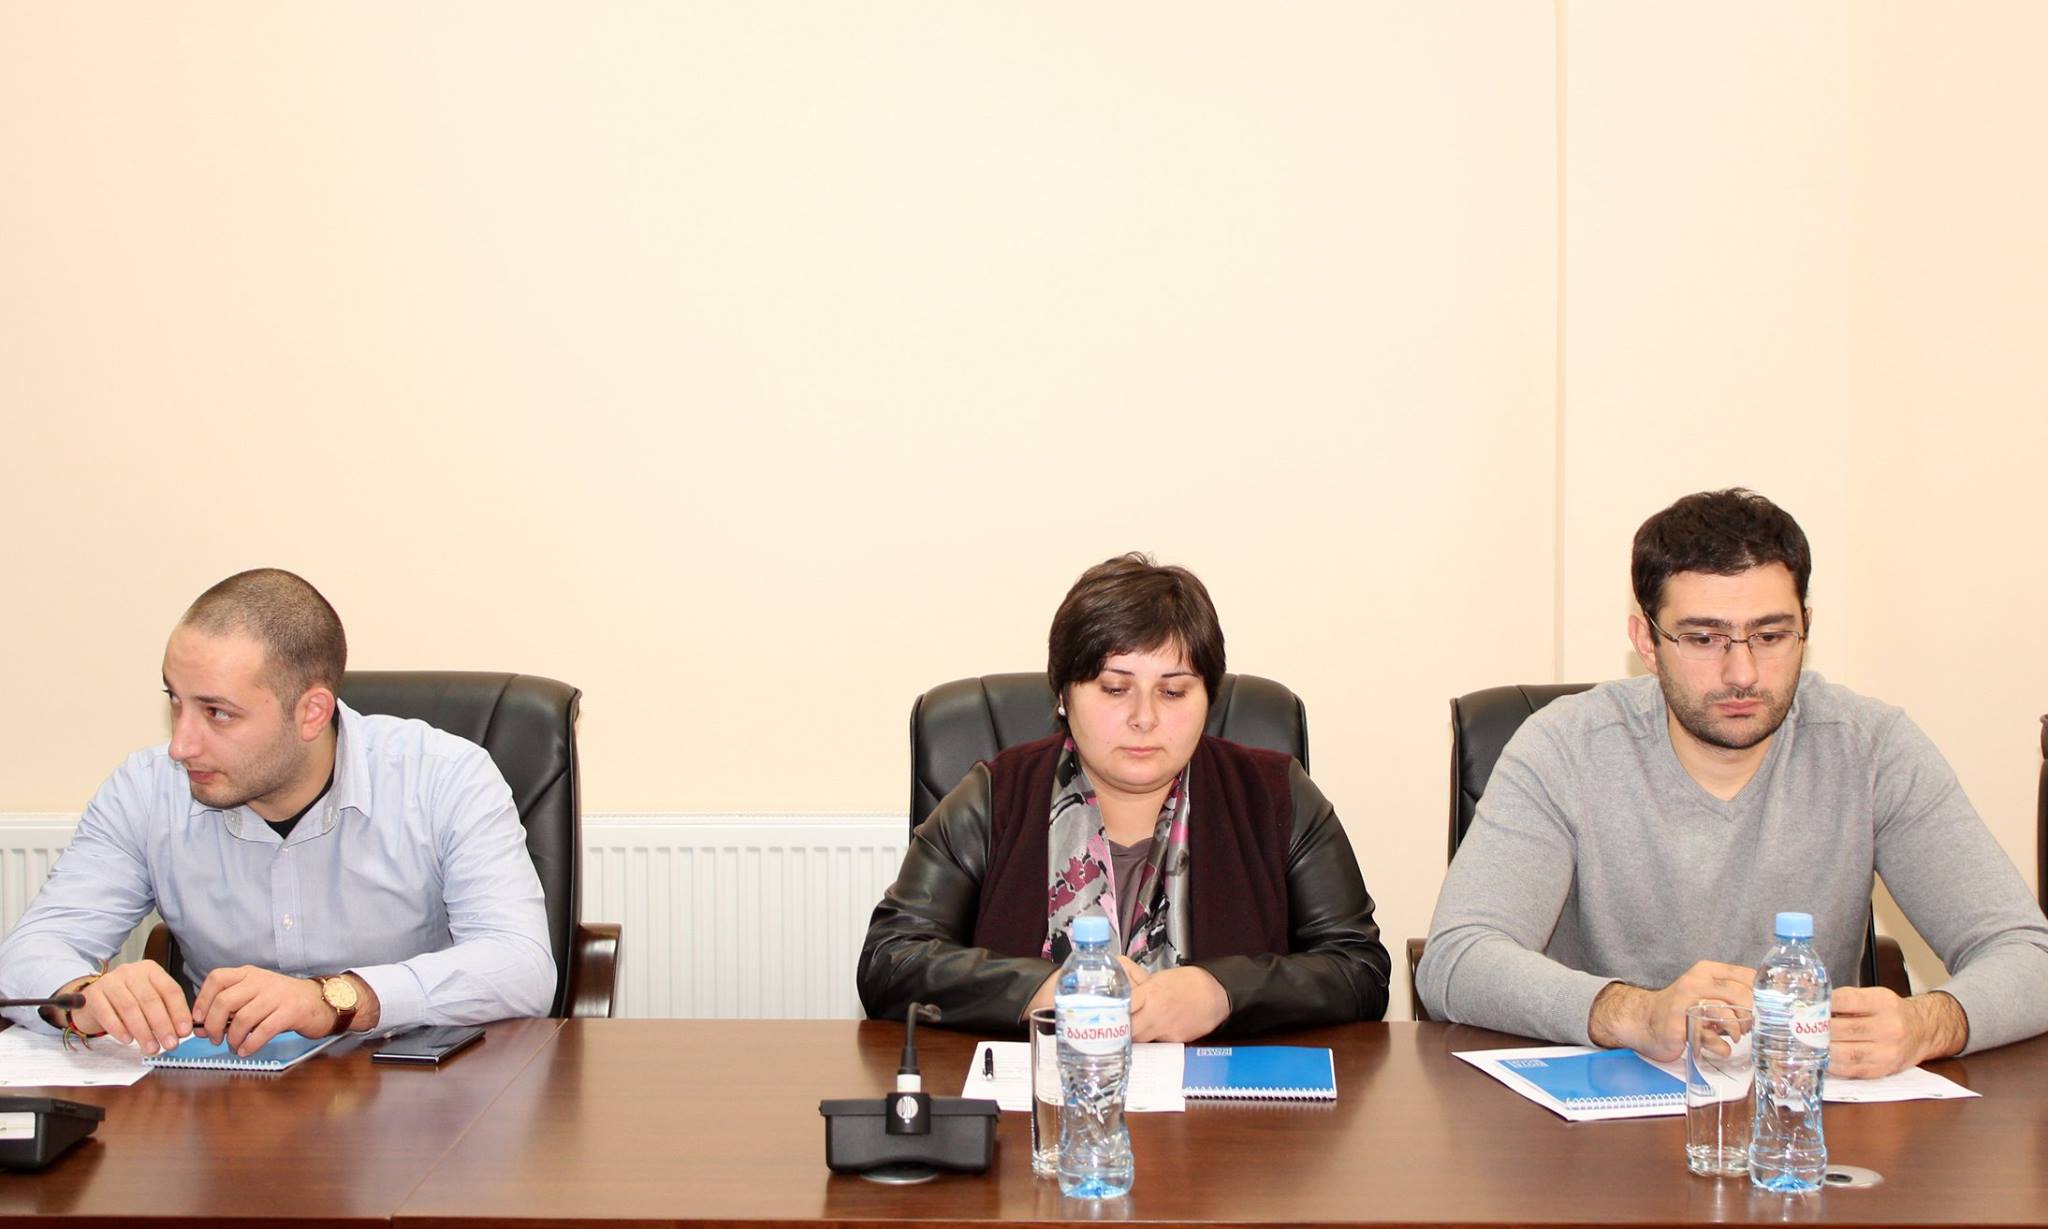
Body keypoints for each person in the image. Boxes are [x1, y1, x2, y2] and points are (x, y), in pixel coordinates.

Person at [1417, 489, 2048, 1077]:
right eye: (1703, 638)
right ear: (1646, 640)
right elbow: (1457, 959)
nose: (1742, 672)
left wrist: (1929, 1024)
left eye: (1771, 636)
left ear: (1806, 628)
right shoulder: (1565, 747)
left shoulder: (1871, 747)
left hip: (1800, 1120)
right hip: (1601, 1119)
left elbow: (2029, 955)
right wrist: (1636, 1013)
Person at [0, 569, 555, 1055]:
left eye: (217, 713)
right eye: (175, 700)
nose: (180, 745)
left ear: (311, 712)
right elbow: (29, 952)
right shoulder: (145, 790)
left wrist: (337, 998)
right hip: (228, 1103)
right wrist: (85, 997)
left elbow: (521, 966)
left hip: (415, 1094)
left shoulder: (444, 776)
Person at [859, 553, 1390, 1040]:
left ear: (1209, 698)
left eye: (1173, 691)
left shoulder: (1275, 795)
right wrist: (1042, 990)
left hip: (1223, 1108)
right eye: (1115, 689)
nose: (1144, 717)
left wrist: (1225, 992)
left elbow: (1359, 967)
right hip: (1037, 1101)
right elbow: (890, 959)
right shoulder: (995, 796)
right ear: (1063, 695)